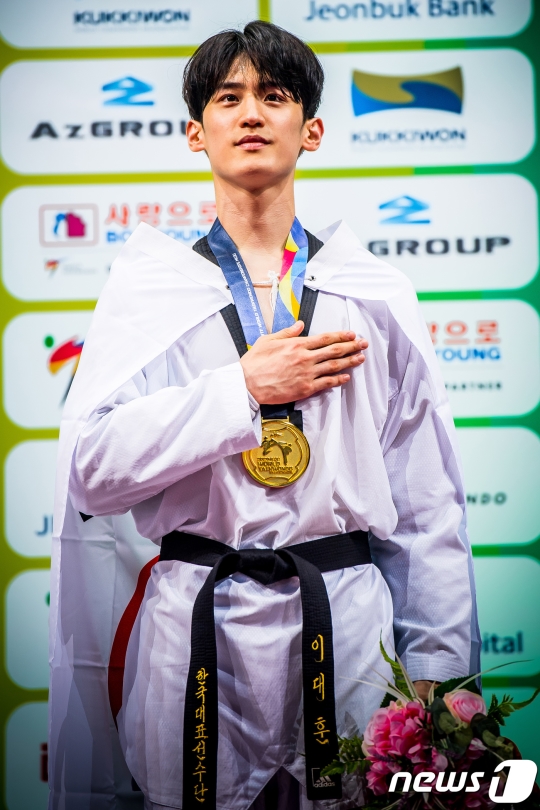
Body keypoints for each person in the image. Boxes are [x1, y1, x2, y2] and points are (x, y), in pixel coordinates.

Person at [49, 20, 480, 810]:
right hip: (196, 623)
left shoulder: (372, 295)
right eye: (228, 98)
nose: (251, 113)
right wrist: (239, 389)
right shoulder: (148, 295)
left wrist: (443, 674)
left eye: (274, 96)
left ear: (311, 130)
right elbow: (92, 471)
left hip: (345, 623)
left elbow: (427, 507)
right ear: (195, 133)